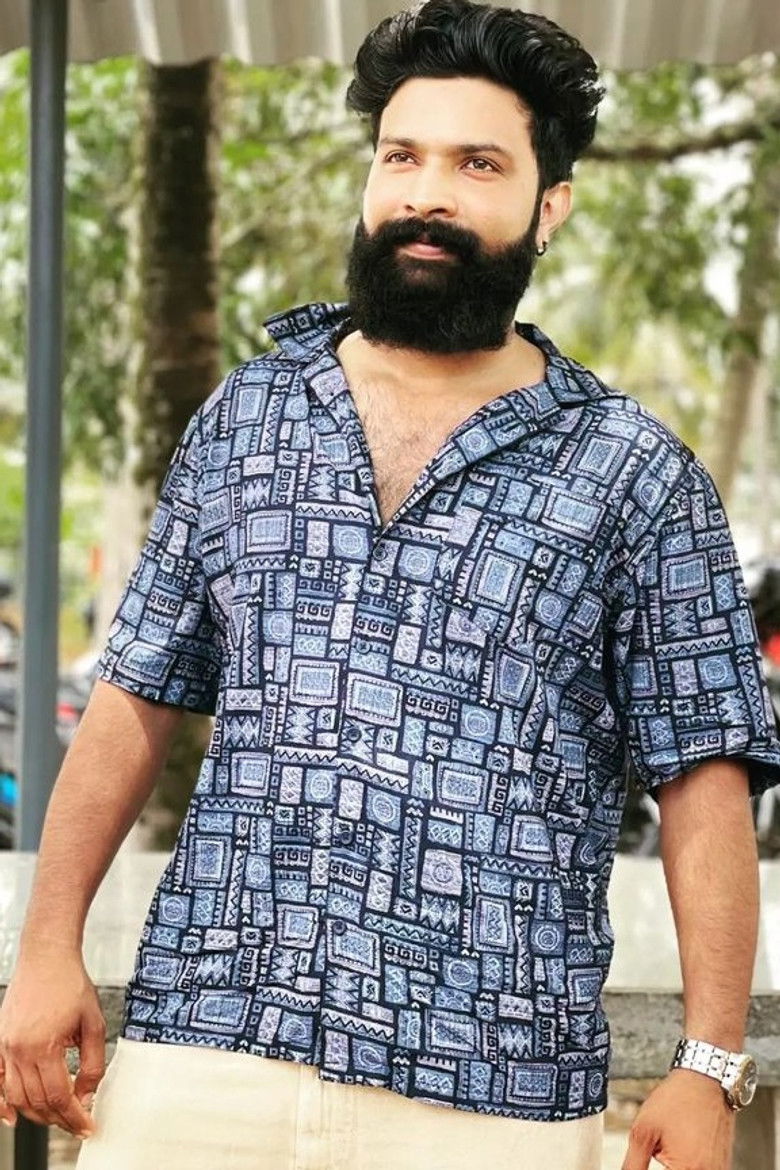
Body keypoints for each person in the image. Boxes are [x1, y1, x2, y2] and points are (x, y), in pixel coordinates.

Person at [1, 2, 778, 1168]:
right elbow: (133, 697)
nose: (429, 194)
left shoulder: (635, 473)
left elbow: (703, 772)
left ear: (551, 205)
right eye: (401, 156)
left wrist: (709, 1064)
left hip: (494, 1097)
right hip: (207, 1054)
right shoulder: (250, 417)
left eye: (478, 164)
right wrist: (45, 947)